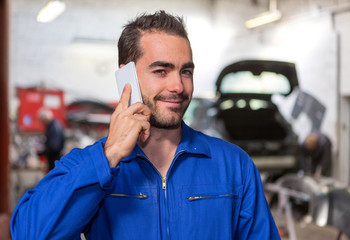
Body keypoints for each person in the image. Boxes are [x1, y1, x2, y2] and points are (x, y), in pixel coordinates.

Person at [11, 11, 280, 239]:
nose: (178, 86)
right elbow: (28, 233)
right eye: (161, 71)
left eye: (185, 71)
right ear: (126, 76)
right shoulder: (91, 164)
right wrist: (110, 156)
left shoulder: (234, 165)